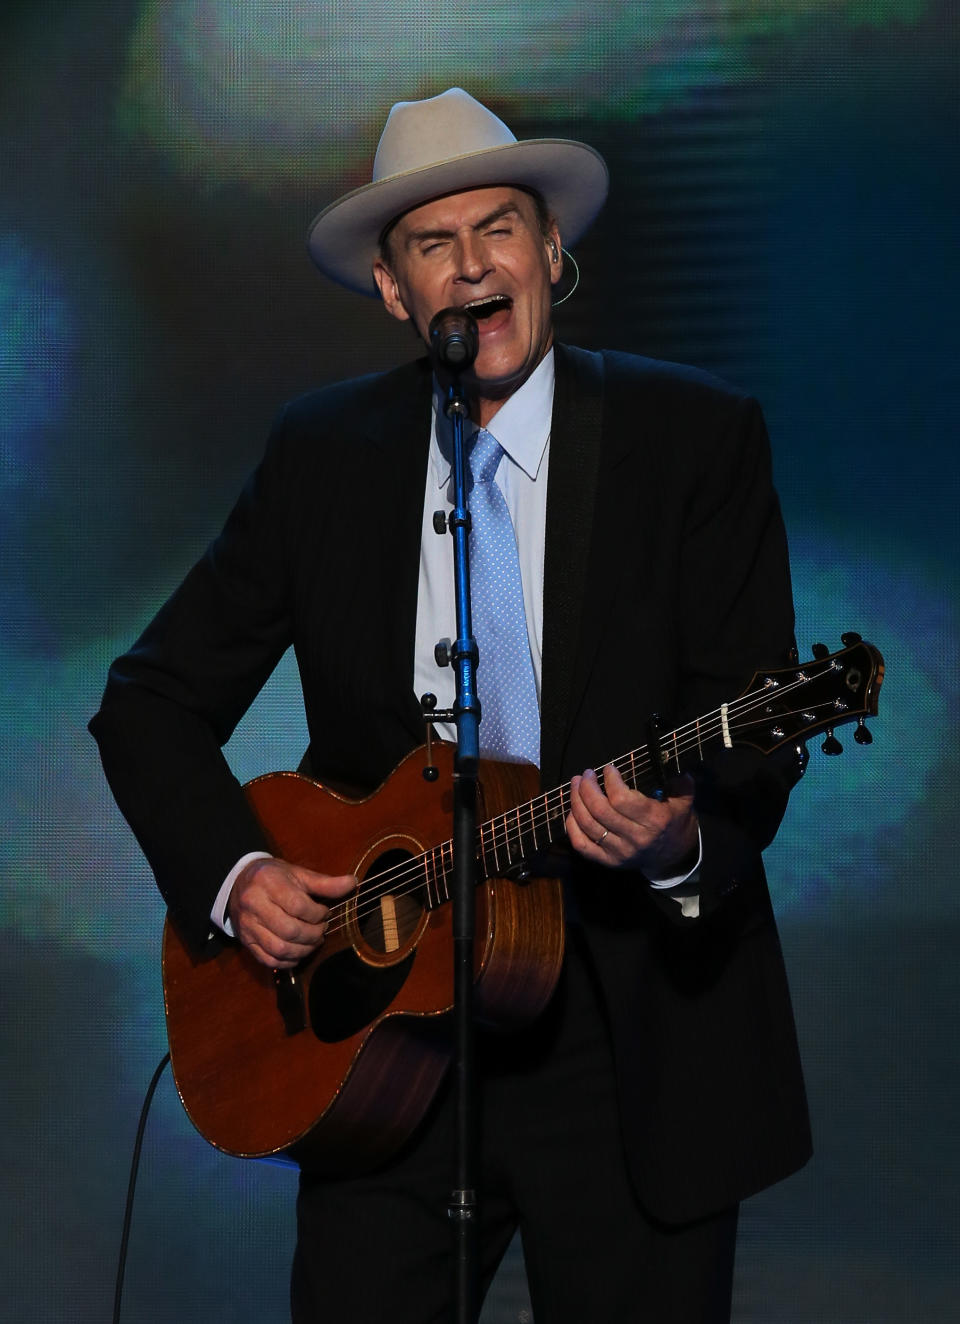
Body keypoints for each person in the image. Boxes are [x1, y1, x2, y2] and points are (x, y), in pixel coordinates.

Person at [91, 87, 811, 1323]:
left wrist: (679, 840)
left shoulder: (692, 437)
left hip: (629, 1038)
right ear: (392, 290)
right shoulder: (324, 453)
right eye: (434, 243)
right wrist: (236, 875)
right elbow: (149, 698)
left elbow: (748, 725)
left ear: (550, 255)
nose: (474, 265)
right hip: (386, 1045)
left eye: (499, 230)